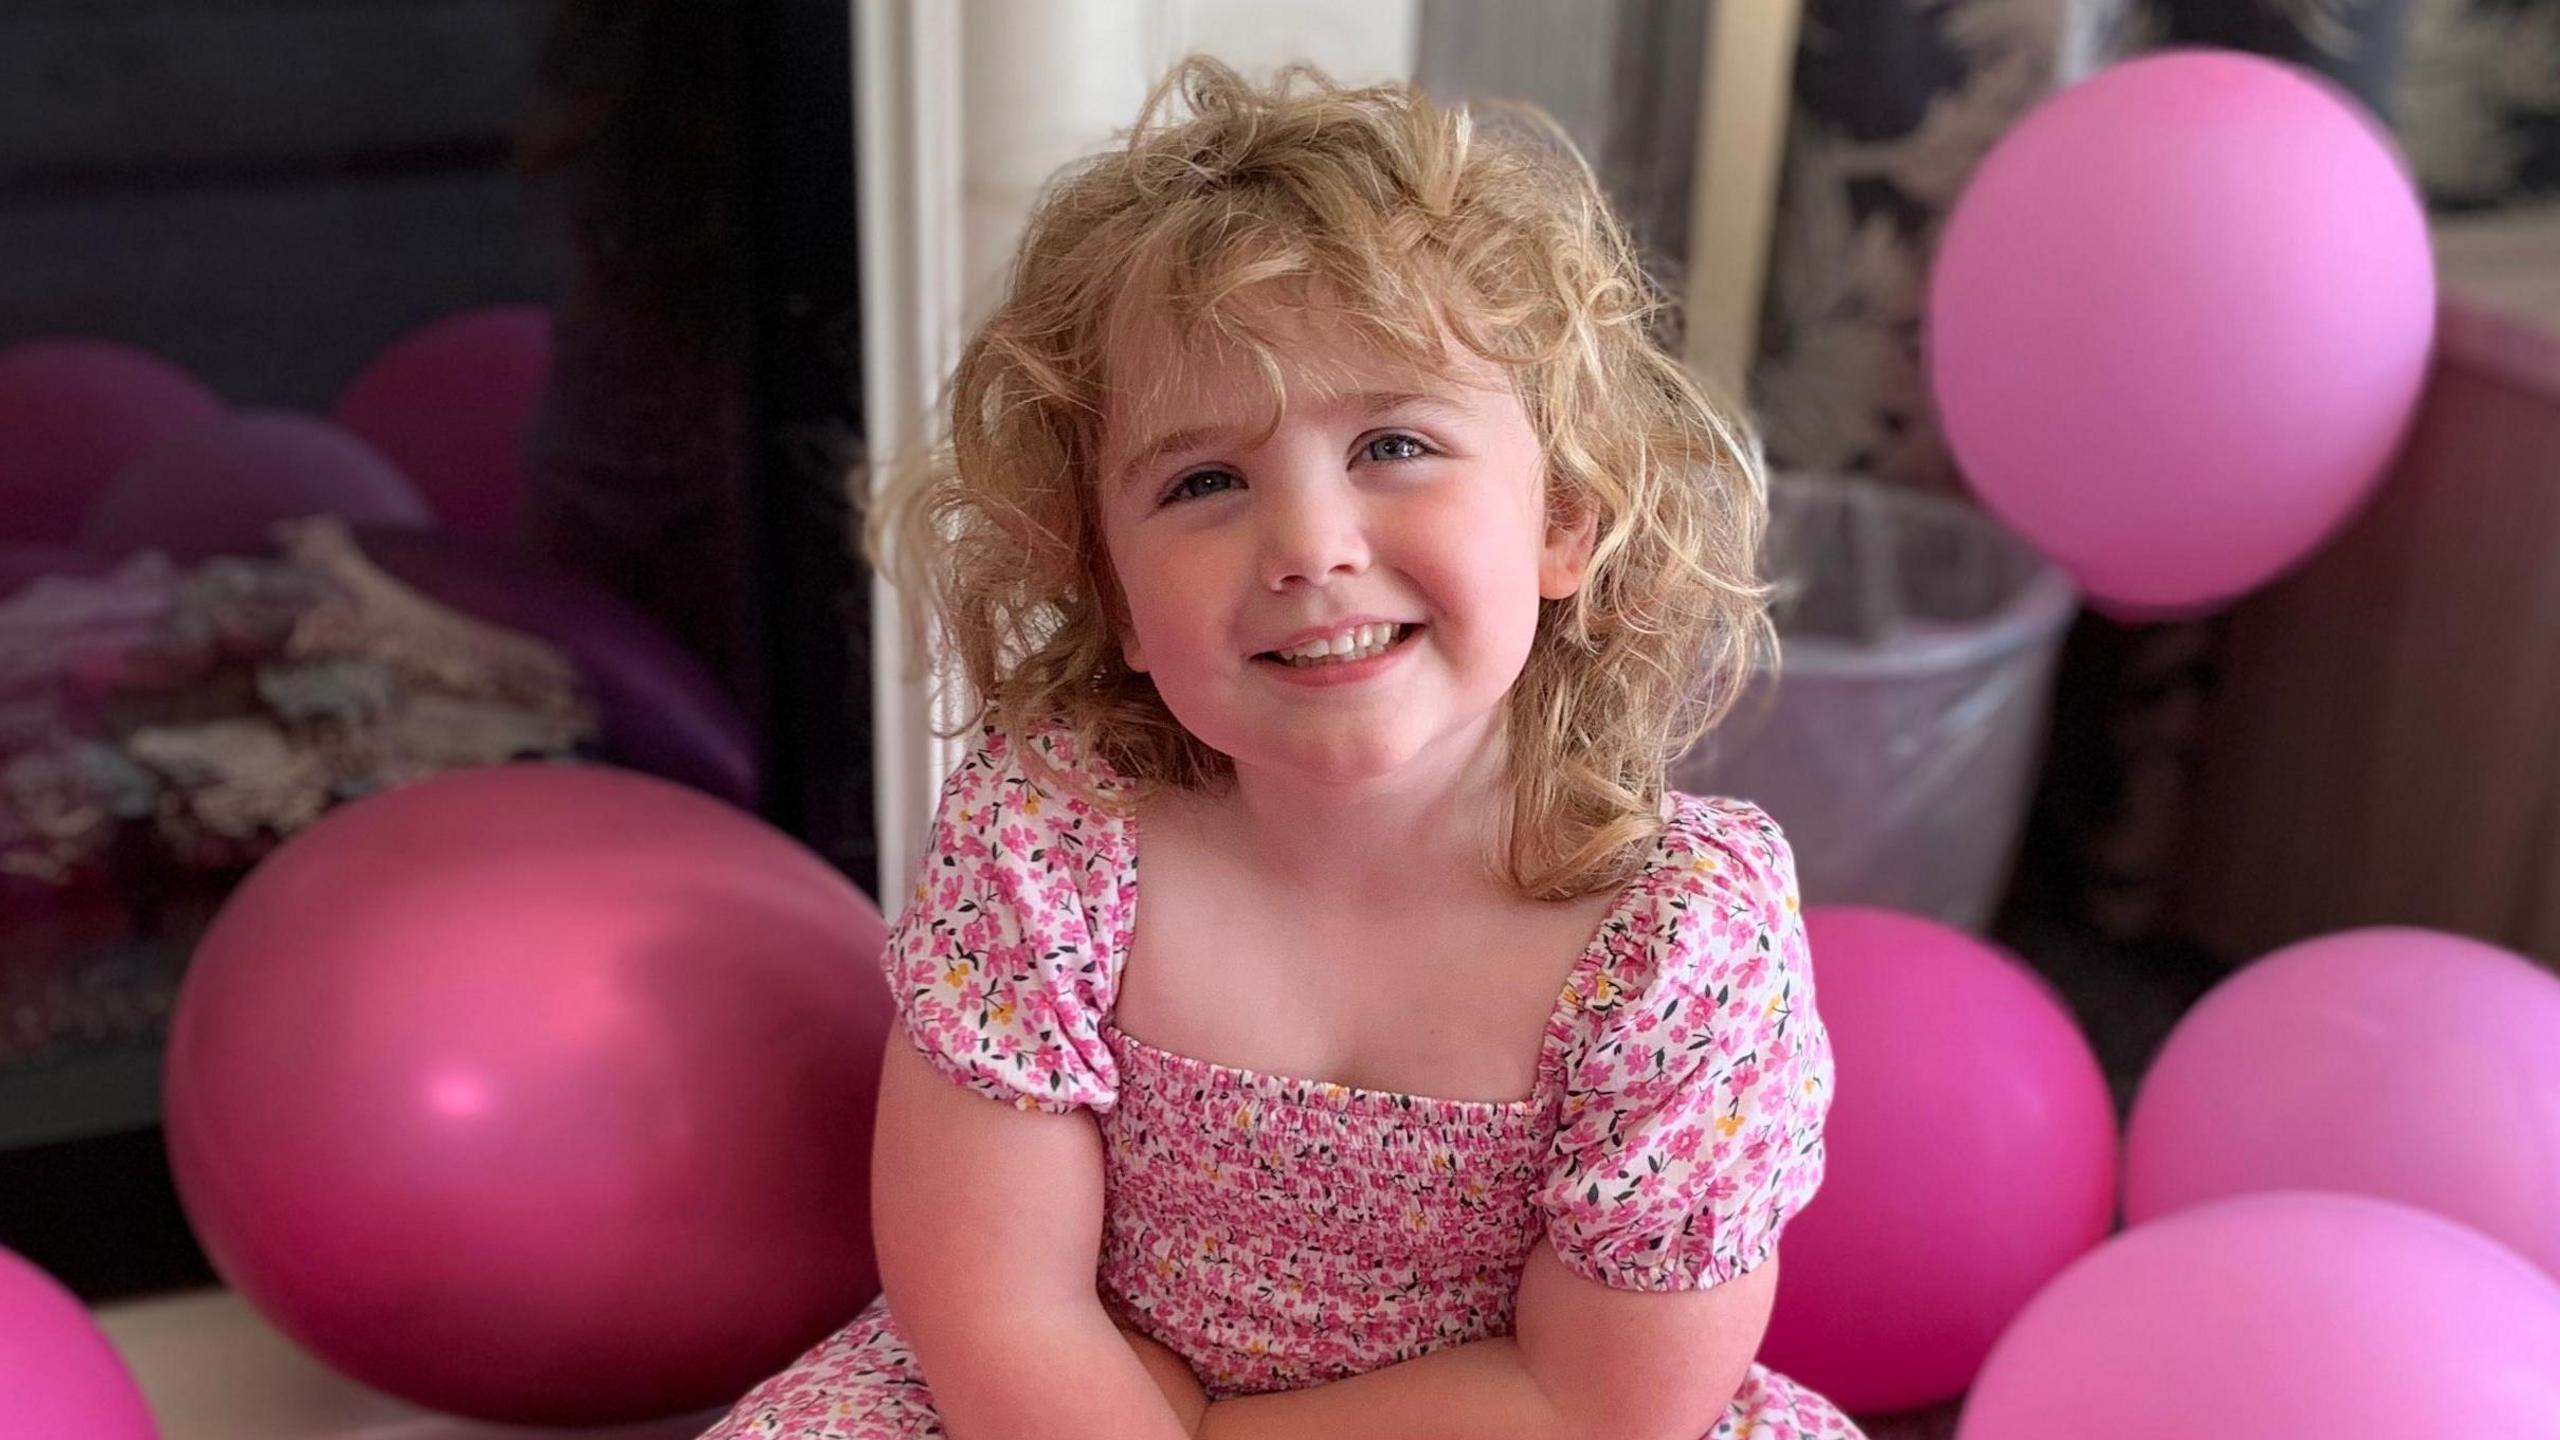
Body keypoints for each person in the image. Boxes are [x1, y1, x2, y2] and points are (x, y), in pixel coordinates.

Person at [703, 56, 1860, 1440]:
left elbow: (1595, 1399)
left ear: (1564, 519)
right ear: (1111, 593)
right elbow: (995, 1301)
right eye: (1204, 481)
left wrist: (1219, 1438)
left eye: (1395, 443)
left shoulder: (1682, 938)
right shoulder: (1053, 840)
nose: (1311, 546)